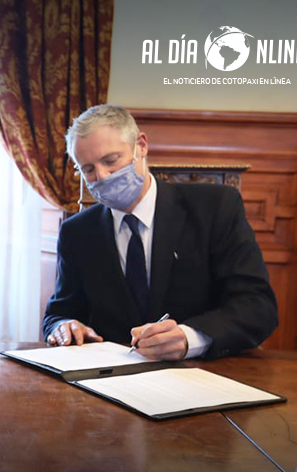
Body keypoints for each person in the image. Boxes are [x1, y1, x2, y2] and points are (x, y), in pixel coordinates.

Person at [42, 104, 277, 360]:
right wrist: (63, 326)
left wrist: (190, 338)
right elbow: (59, 313)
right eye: (88, 169)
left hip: (198, 371)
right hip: (110, 373)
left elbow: (258, 307)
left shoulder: (214, 208)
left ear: (141, 146)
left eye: (110, 161)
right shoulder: (77, 232)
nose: (102, 176)